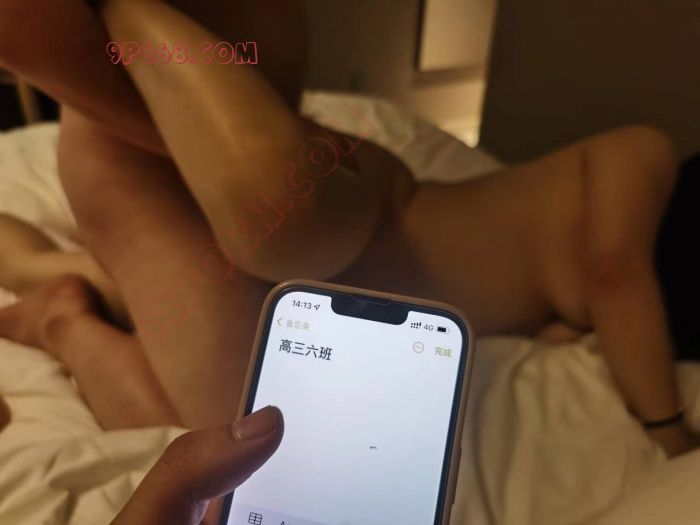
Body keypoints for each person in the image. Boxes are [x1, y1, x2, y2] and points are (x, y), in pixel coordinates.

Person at [0, 1, 696, 505]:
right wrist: (669, 432)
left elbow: (567, 294)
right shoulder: (643, 155)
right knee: (287, 221)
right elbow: (615, 275)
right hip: (377, 221)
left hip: (314, 271)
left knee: (220, 434)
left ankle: (64, 311)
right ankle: (127, 12)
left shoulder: (605, 293)